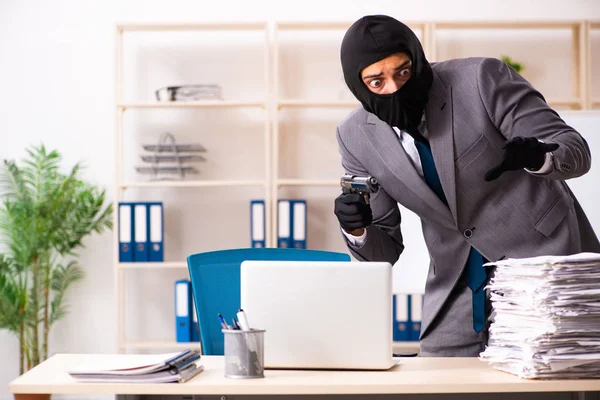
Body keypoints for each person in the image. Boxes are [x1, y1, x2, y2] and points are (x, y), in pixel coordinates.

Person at [334, 14, 600, 357]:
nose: (395, 88)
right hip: (454, 292)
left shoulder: (480, 79)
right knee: (438, 387)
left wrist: (538, 157)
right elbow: (384, 253)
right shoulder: (355, 136)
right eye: (376, 82)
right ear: (358, 86)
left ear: (417, 59)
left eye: (403, 72)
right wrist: (357, 229)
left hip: (542, 269)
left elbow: (574, 150)